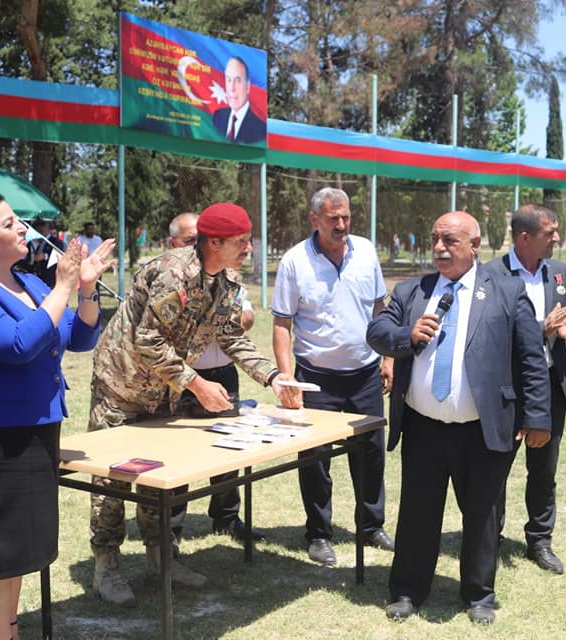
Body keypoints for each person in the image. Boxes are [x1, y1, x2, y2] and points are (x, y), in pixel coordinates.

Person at [88, 202, 301, 607]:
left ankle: (162, 560)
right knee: (111, 480)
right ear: (214, 242)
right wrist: (196, 383)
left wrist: (273, 377)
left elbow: (230, 336)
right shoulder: (173, 272)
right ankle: (106, 568)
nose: (249, 249)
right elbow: (148, 339)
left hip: (162, 393)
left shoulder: (226, 279)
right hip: (122, 386)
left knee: (157, 477)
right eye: (241, 242)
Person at [0, 191, 114, 640]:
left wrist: (85, 288)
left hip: (36, 429)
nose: (22, 229)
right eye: (9, 223)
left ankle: (6, 630)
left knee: (16, 547)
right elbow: (16, 345)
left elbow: (79, 336)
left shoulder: (30, 283)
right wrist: (64, 287)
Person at [366, 210, 550, 625]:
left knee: (483, 514)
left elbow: (531, 358)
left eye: (449, 240)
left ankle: (479, 594)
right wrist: (407, 335)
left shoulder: (507, 291)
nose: (439, 248)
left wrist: (538, 416)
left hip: (482, 428)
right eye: (435, 239)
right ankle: (408, 589)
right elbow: (376, 332)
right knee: (417, 512)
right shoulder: (413, 291)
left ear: (474, 244)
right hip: (423, 428)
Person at [272, 187, 395, 566]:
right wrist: (287, 378)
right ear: (314, 220)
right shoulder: (295, 261)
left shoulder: (366, 252)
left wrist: (389, 358)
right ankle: (319, 533)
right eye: (333, 218)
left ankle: (371, 525)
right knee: (315, 459)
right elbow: (281, 324)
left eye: (346, 217)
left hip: (365, 375)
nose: (341, 224)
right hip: (316, 379)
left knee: (371, 455)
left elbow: (380, 310)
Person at [486, 204, 566, 574]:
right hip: (508, 388)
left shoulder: (559, 271)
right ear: (525, 237)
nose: (557, 238)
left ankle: (540, 541)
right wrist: (540, 330)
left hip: (549, 386)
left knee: (544, 470)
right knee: (495, 468)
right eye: (550, 232)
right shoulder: (491, 275)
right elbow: (489, 332)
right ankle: (489, 538)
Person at [167, 212, 265, 542]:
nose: (196, 245)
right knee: (177, 454)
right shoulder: (172, 277)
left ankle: (226, 517)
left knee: (227, 450)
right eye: (189, 240)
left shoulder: (226, 276)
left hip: (222, 372)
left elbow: (245, 319)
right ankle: (171, 527)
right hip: (183, 377)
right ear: (173, 243)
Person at [212, 56, 265, 144]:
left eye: (238, 80)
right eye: (229, 80)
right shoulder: (217, 117)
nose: (232, 88)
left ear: (247, 87)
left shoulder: (260, 129)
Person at [26, 218, 59, 287]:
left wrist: (45, 256)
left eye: (42, 224)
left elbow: (59, 256)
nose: (39, 227)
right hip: (34, 279)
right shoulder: (32, 242)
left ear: (48, 227)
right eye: (37, 225)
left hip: (50, 279)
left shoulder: (56, 242)